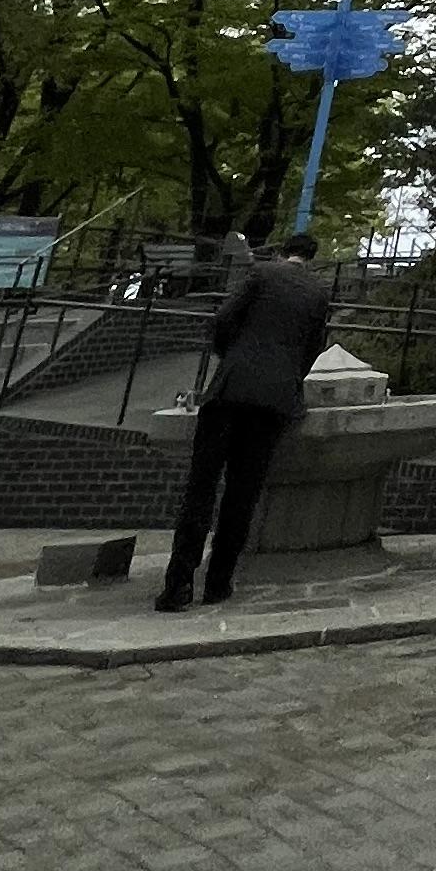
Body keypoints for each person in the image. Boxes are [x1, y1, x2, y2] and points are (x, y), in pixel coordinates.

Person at [156, 230, 333, 610]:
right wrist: (290, 378)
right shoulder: (319, 293)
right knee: (243, 492)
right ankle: (219, 582)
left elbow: (223, 320)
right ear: (311, 258)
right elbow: (313, 346)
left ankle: (179, 583)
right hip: (274, 400)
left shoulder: (261, 274)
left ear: (283, 252)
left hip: (231, 389)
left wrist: (231, 356)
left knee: (201, 487)